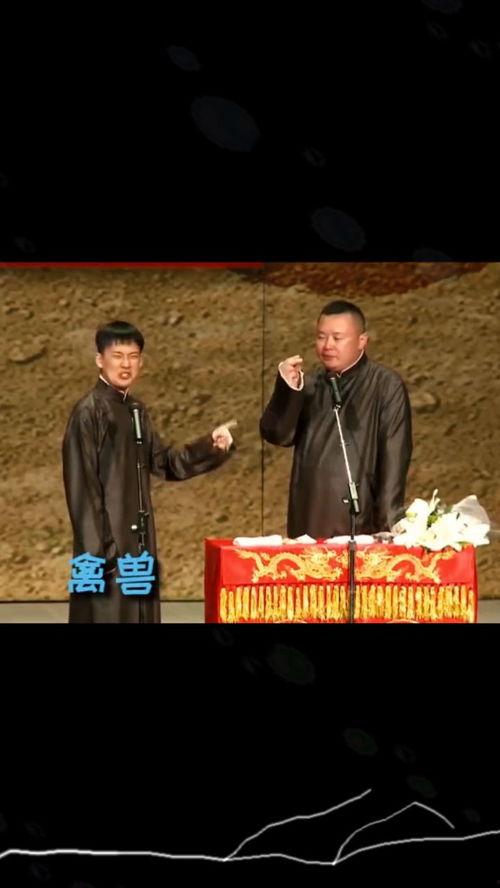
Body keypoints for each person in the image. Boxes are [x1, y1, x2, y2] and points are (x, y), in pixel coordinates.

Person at [62, 320, 235, 623]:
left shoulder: (136, 410)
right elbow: (82, 492)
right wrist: (104, 554)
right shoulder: (88, 412)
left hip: (137, 546)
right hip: (106, 552)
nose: (125, 364)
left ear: (141, 361)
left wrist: (210, 446)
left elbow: (164, 462)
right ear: (100, 359)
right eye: (117, 356)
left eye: (133, 356)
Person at [260, 300, 412, 539]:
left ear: (362, 341)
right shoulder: (309, 385)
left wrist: (389, 524)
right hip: (310, 521)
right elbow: (277, 434)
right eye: (321, 337)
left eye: (337, 338)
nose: (328, 345)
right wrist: (287, 389)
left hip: (362, 525)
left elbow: (394, 456)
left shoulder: (385, 385)